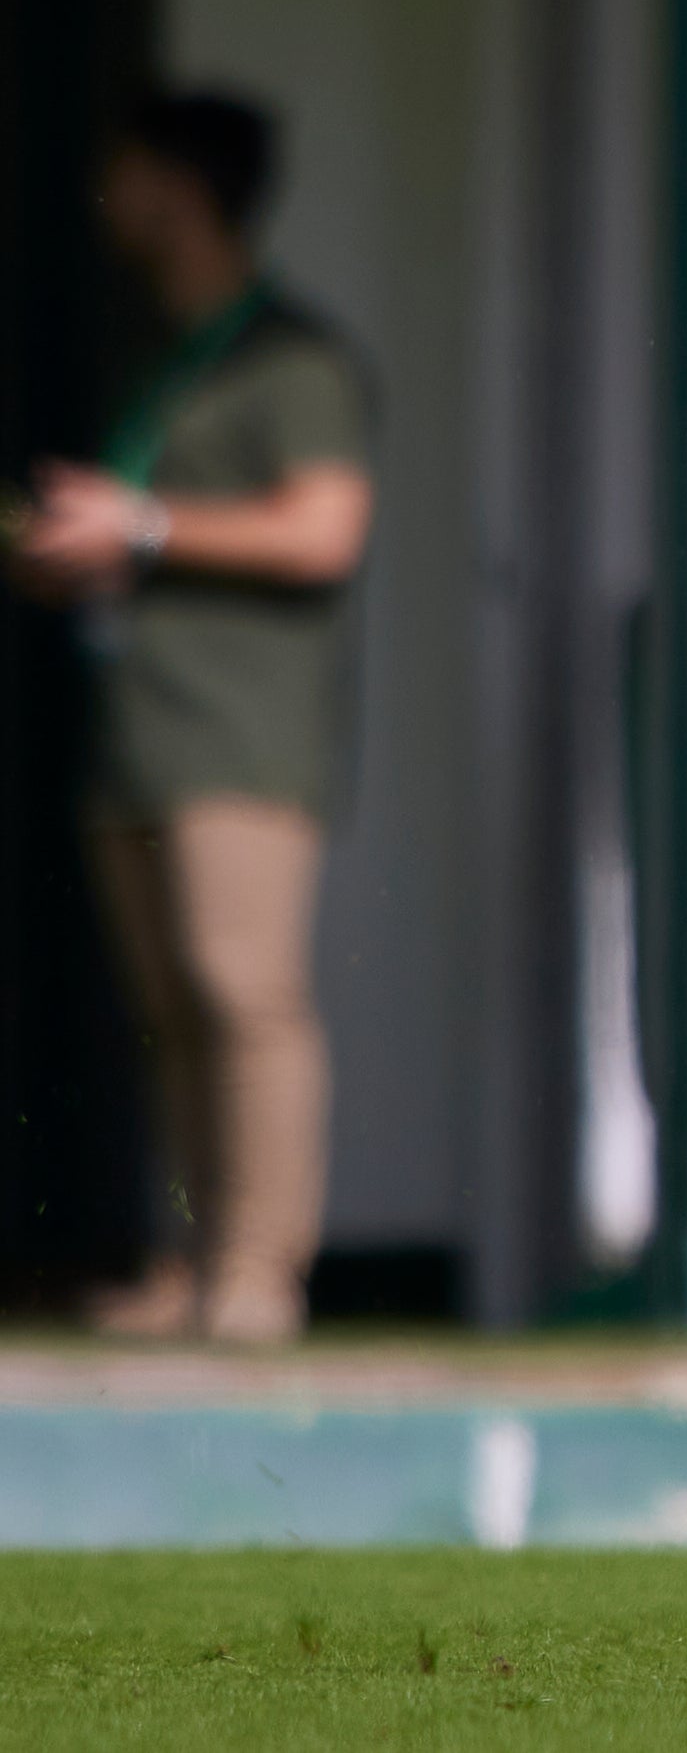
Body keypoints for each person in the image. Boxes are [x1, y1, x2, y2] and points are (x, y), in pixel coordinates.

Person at [4, 90, 376, 1348]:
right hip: (140, 735)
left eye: (124, 170)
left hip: (244, 737)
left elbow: (326, 529)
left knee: (244, 990)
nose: (106, 197)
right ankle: (189, 1263)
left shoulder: (296, 357)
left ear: (184, 185)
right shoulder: (165, 356)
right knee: (167, 1012)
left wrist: (145, 524)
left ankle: (261, 1272)